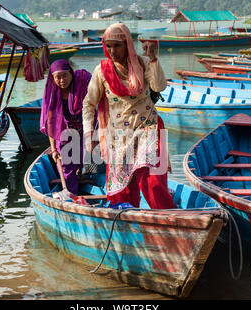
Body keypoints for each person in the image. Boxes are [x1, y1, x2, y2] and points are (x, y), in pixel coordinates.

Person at [82, 23, 175, 209]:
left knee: (154, 184)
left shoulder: (143, 64)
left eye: (117, 45)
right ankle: (125, 222)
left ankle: (167, 219)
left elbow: (159, 86)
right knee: (121, 189)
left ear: (127, 45)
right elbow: (89, 104)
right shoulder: (101, 71)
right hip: (118, 137)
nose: (112, 50)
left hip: (148, 129)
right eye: (108, 45)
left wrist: (154, 59)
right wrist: (87, 135)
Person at [40, 59, 92, 195]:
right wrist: (53, 149)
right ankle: (71, 194)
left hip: (83, 131)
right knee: (66, 165)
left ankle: (81, 173)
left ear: (71, 74)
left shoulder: (81, 87)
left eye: (65, 75)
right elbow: (52, 124)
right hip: (63, 135)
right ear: (52, 78)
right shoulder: (52, 96)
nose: (62, 80)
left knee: (86, 157)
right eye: (58, 77)